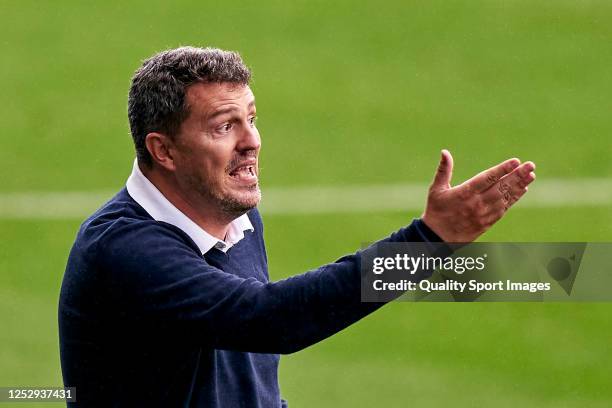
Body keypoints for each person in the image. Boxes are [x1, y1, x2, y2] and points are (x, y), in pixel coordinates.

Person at [58, 47, 536, 407]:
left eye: (252, 119)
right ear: (163, 150)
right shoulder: (122, 249)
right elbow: (270, 321)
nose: (253, 142)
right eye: (225, 126)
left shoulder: (235, 216)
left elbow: (252, 376)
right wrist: (427, 242)